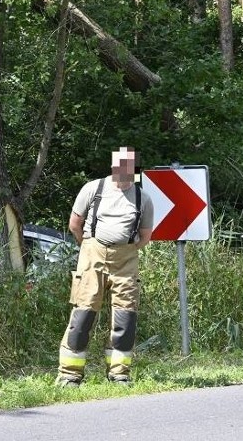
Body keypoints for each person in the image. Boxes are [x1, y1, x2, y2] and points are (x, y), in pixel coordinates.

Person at [56, 147, 153, 387]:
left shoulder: (143, 198)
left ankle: (119, 374)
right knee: (83, 314)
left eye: (130, 171)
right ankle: (69, 375)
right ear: (114, 168)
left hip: (126, 261)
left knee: (125, 317)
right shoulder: (93, 188)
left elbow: (145, 236)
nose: (126, 175)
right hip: (92, 255)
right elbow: (74, 225)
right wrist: (89, 247)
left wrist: (125, 251)